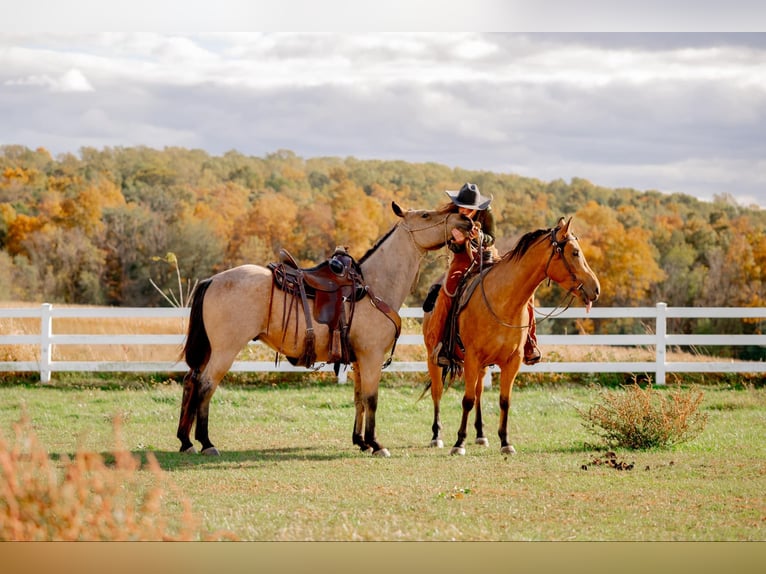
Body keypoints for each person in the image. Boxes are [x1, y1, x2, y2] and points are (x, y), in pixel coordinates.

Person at [423, 182, 541, 367]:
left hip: (488, 256)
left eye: (468, 208)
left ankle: (529, 343)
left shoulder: (487, 213)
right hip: (462, 258)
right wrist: (459, 242)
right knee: (448, 292)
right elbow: (451, 245)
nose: (464, 210)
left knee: (524, 290)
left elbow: (491, 238)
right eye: (461, 206)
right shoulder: (453, 216)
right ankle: (440, 345)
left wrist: (479, 237)